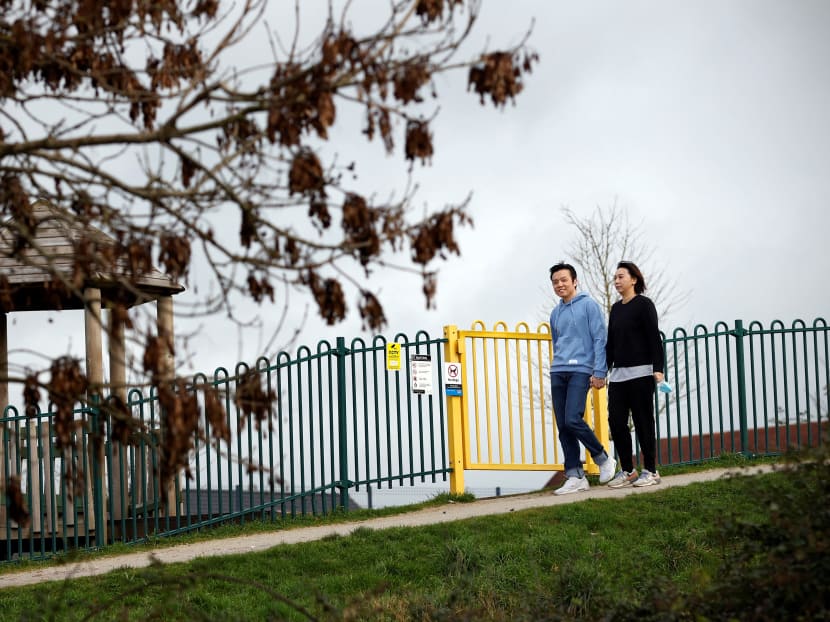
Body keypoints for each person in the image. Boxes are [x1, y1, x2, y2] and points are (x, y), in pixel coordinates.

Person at [548, 262, 617, 495]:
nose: (559, 285)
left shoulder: (589, 305)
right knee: (563, 425)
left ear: (575, 281)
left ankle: (603, 458)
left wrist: (600, 371)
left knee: (572, 418)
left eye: (564, 280)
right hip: (558, 370)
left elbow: (599, 339)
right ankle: (575, 475)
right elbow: (557, 342)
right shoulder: (555, 313)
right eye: (555, 282)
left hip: (581, 369)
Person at [605, 261, 665, 488]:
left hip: (641, 374)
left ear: (634, 279)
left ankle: (651, 471)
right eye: (615, 277)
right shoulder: (616, 309)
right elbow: (611, 344)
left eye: (621, 276)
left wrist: (658, 368)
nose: (617, 281)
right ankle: (628, 471)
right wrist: (602, 370)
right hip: (618, 376)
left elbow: (654, 338)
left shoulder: (644, 305)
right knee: (616, 422)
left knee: (643, 422)